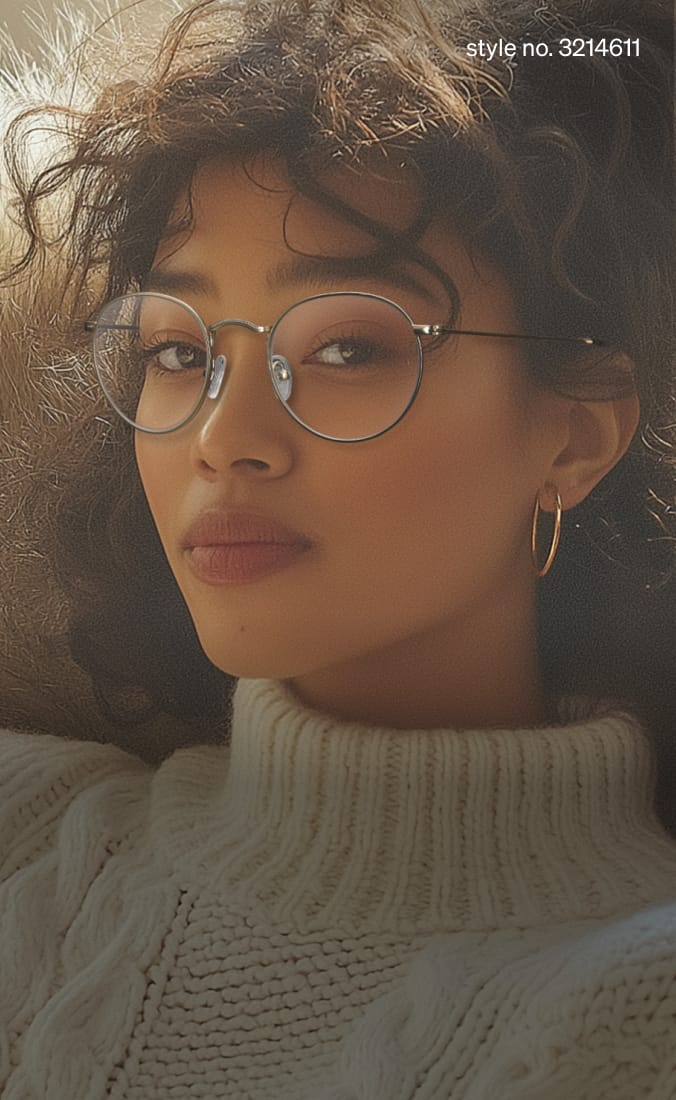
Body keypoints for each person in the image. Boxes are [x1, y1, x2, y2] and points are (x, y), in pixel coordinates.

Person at [1, 0, 675, 1096]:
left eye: (349, 345)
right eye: (177, 350)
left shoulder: (636, 1002)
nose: (224, 439)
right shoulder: (33, 838)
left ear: (577, 431)